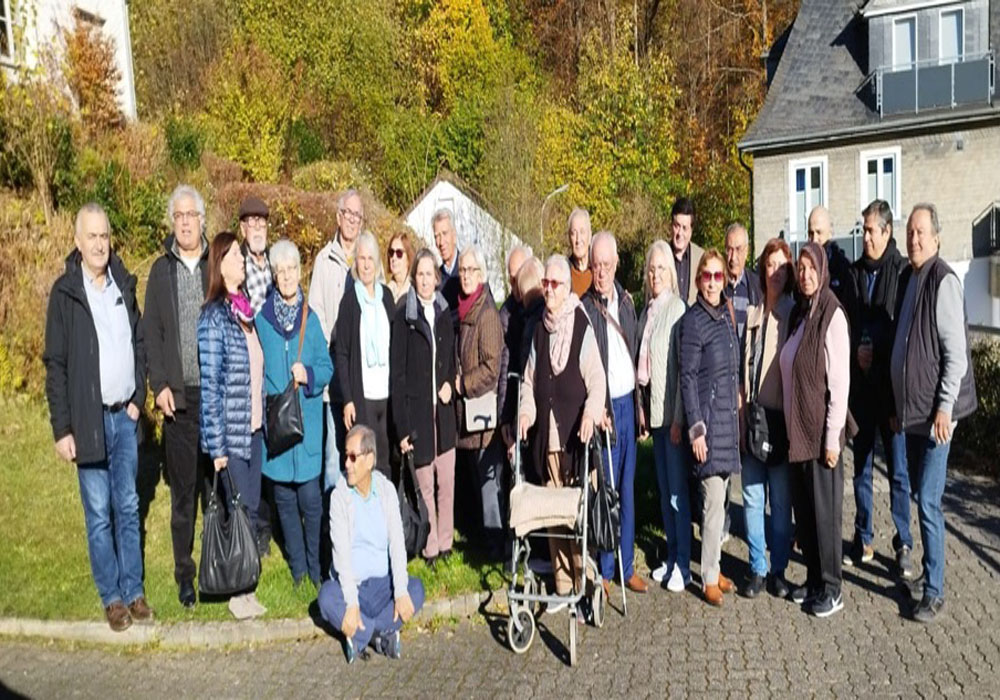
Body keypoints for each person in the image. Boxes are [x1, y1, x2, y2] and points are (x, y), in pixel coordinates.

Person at [44, 202, 152, 632]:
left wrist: (137, 399)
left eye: (104, 235)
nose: (99, 244)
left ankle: (134, 590)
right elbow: (56, 364)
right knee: (99, 512)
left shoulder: (122, 285)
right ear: (77, 241)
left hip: (123, 417)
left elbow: (140, 342)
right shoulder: (66, 294)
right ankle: (111, 597)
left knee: (128, 506)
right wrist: (62, 428)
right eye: (91, 236)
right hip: (87, 421)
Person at [890, 203, 977, 623]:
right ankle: (928, 575)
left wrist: (944, 407)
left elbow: (955, 357)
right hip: (914, 414)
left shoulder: (943, 281)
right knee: (920, 497)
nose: (914, 239)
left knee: (927, 498)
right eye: (910, 232)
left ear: (937, 237)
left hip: (937, 416)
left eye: (921, 232)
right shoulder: (911, 277)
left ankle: (935, 589)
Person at [518, 254, 606, 598]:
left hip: (576, 440)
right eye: (546, 284)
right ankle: (563, 585)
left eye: (555, 284)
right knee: (553, 514)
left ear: (567, 288)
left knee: (577, 516)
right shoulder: (540, 328)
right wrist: (526, 412)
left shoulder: (580, 326)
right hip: (549, 440)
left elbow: (597, 380)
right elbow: (528, 382)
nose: (549, 290)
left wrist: (590, 415)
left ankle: (584, 580)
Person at [143, 185, 210, 608]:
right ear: (173, 222)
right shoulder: (160, 271)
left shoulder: (216, 265)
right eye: (179, 216)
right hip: (179, 402)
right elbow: (152, 334)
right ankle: (185, 574)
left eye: (192, 215)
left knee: (216, 488)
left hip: (215, 397)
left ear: (202, 219)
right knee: (184, 493)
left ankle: (220, 565)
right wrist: (160, 385)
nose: (185, 222)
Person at [197, 231, 267, 620]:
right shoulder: (213, 318)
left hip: (254, 430)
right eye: (237, 256)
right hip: (232, 435)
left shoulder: (245, 312)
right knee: (237, 511)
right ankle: (236, 590)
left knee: (251, 508)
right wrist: (218, 447)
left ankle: (247, 584)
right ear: (220, 264)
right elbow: (211, 387)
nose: (243, 261)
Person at [780, 242, 851, 618]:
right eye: (801, 268)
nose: (805, 275)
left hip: (821, 435)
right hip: (798, 433)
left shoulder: (831, 314)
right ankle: (813, 580)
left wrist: (832, 438)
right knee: (806, 515)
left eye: (811, 268)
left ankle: (833, 588)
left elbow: (839, 383)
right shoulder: (799, 314)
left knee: (825, 516)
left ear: (822, 271)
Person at [257, 239, 333, 589]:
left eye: (291, 269)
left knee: (310, 501)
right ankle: (299, 571)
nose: (286, 276)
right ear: (274, 275)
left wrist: (310, 376)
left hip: (306, 428)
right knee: (284, 502)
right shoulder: (262, 322)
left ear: (299, 272)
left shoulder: (311, 320)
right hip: (277, 425)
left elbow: (327, 367)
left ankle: (316, 568)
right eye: (280, 270)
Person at [844, 199, 913, 575]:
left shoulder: (901, 274)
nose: (865, 236)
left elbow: (904, 332)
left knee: (899, 473)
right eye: (863, 229)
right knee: (862, 470)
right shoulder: (855, 274)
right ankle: (863, 536)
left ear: (887, 232)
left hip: (891, 395)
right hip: (862, 393)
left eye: (871, 230)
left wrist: (878, 355)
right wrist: (857, 351)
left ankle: (903, 541)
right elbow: (848, 325)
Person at [318, 425, 426, 663]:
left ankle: (360, 634)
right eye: (345, 455)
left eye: (353, 457)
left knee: (416, 590)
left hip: (381, 587)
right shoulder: (339, 496)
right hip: (351, 588)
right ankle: (380, 635)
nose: (346, 463)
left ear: (369, 460)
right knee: (326, 598)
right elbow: (341, 556)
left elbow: (397, 544)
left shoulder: (386, 490)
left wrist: (399, 591)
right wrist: (352, 603)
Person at [582, 231, 647, 594]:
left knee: (628, 488)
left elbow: (633, 351)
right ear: (590, 267)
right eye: (597, 265)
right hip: (605, 408)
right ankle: (606, 571)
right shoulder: (585, 308)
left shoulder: (626, 300)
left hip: (627, 403)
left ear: (616, 263)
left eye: (607, 264)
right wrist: (599, 406)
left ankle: (627, 564)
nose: (602, 271)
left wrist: (636, 408)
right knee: (606, 492)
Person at [679, 250, 741, 606]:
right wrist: (696, 429)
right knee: (713, 501)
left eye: (719, 276)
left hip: (727, 423)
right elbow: (687, 378)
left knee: (721, 500)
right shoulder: (694, 321)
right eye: (708, 276)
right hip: (708, 425)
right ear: (699, 279)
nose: (714, 282)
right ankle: (707, 577)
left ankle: (714, 568)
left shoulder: (725, 316)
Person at [390, 248, 458, 566]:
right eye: (420, 274)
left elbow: (451, 362)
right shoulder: (405, 316)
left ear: (437, 278)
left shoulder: (444, 313)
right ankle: (430, 546)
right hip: (418, 413)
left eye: (430, 274)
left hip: (443, 413)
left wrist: (449, 382)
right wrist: (402, 428)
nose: (425, 280)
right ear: (414, 277)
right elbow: (398, 376)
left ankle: (446, 542)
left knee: (447, 481)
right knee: (425, 485)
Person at [739, 238, 796, 600]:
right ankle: (757, 567)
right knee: (751, 496)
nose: (774, 272)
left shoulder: (792, 314)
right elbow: (745, 368)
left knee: (780, 500)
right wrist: (742, 409)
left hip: (780, 420)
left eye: (780, 266)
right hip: (753, 417)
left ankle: (779, 569)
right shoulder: (753, 315)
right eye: (769, 266)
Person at [636, 240, 689, 592]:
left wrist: (677, 419)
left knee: (676, 495)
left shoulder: (677, 309)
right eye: (650, 269)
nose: (655, 275)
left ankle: (683, 564)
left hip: (671, 416)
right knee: (665, 488)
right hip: (653, 414)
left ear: (671, 271)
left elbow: (681, 370)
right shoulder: (648, 310)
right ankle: (671, 557)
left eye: (660, 268)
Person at [309, 188, 364, 491]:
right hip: (333, 376)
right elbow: (315, 316)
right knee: (334, 457)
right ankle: (333, 528)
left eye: (358, 215)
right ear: (338, 216)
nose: (353, 220)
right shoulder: (324, 261)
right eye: (348, 213)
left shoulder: (367, 258)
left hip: (361, 379)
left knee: (360, 453)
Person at [454, 245, 505, 559]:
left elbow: (492, 368)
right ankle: (485, 544)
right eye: (462, 270)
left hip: (482, 419)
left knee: (489, 489)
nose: (466, 276)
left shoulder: (485, 314)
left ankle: (497, 550)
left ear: (482, 274)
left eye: (471, 270)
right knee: (477, 485)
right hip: (468, 419)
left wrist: (463, 384)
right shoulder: (463, 310)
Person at [334, 232, 395, 481]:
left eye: (371, 258)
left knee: (386, 459)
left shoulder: (387, 298)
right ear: (355, 263)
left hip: (386, 394)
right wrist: (348, 399)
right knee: (367, 461)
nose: (367, 264)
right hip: (364, 396)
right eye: (362, 258)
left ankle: (386, 514)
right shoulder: (349, 302)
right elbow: (342, 352)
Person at [498, 245, 531, 448]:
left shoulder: (543, 307)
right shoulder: (506, 314)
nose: (515, 283)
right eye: (511, 278)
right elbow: (504, 368)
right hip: (517, 402)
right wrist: (505, 418)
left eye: (518, 276)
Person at [807, 205, 856, 309]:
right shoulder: (803, 267)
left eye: (819, 232)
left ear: (830, 233)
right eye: (811, 233)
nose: (814, 239)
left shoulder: (842, 268)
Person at [240, 196, 273, 314]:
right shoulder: (237, 265)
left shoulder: (275, 261)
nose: (258, 227)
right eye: (252, 222)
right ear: (243, 229)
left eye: (262, 221)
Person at [670, 197, 704, 305]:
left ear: (691, 230)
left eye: (684, 228)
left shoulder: (701, 258)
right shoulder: (661, 256)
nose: (680, 233)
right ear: (671, 225)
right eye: (677, 226)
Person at [433, 208, 462, 313]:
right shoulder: (436, 279)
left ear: (454, 235)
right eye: (437, 236)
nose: (441, 242)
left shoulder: (468, 269)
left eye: (444, 233)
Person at [567, 208, 593, 297]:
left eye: (582, 232)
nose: (578, 239)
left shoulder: (599, 270)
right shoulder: (564, 273)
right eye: (573, 233)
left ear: (590, 236)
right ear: (569, 238)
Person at [386, 231, 415, 303]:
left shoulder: (416, 290)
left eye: (399, 253)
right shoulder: (385, 293)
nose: (394, 258)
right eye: (391, 252)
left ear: (408, 258)